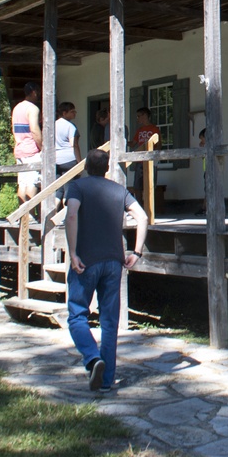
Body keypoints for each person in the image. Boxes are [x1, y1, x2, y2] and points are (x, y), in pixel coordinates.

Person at [64, 149, 148, 392]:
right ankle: (107, 380)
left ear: (87, 167)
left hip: (85, 261)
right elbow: (142, 217)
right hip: (114, 261)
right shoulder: (119, 190)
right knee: (110, 322)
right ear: (107, 167)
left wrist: (72, 253)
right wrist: (137, 252)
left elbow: (71, 216)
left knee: (77, 315)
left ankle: (92, 358)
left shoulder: (78, 187)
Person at [11, 82, 42, 204]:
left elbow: (14, 130)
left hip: (19, 149)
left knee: (22, 183)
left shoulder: (17, 108)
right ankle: (29, 214)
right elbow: (34, 129)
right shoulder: (32, 109)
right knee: (32, 182)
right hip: (31, 150)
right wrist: (42, 146)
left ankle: (23, 214)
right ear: (34, 92)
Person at [54, 101, 81, 203]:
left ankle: (53, 214)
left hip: (56, 160)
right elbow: (74, 144)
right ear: (64, 113)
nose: (74, 113)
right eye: (72, 111)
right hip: (69, 160)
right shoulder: (70, 126)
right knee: (70, 189)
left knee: (58, 189)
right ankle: (67, 215)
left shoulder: (53, 125)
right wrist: (79, 163)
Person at [130, 107, 160, 190]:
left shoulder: (154, 129)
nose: (137, 119)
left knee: (150, 186)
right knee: (137, 186)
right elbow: (133, 144)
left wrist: (155, 158)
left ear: (145, 115)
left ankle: (149, 203)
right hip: (140, 160)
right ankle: (139, 203)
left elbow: (158, 145)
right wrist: (122, 141)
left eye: (138, 116)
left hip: (150, 160)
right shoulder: (139, 130)